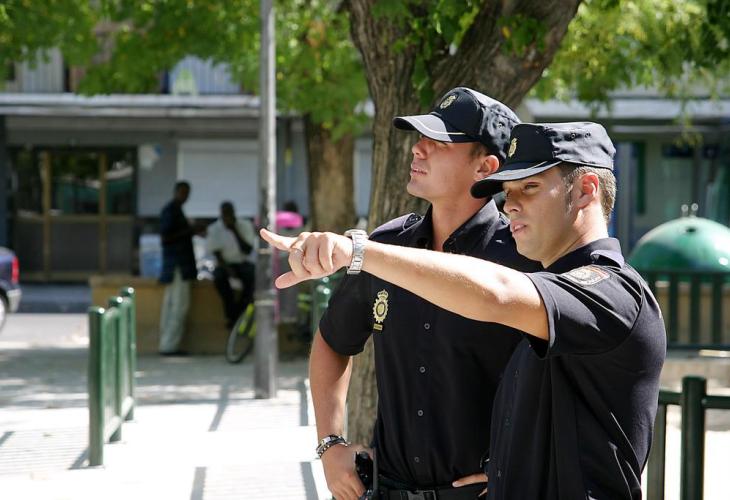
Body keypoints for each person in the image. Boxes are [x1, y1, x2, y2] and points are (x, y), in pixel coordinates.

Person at [262, 121, 667, 499]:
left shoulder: (612, 290)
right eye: (508, 193)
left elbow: (498, 293)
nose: (510, 205)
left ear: (586, 190)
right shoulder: (550, 286)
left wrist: (358, 252)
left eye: (529, 187)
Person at [306, 87, 537, 500]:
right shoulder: (387, 247)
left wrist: (516, 468)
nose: (418, 148)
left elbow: (558, 385)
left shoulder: (522, 258)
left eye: (440, 143)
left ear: (485, 167)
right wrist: (330, 444)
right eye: (422, 137)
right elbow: (332, 340)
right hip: (387, 489)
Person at [158, 181, 202, 356]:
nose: (185, 196)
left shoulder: (175, 210)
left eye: (187, 193)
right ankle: (169, 345)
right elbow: (166, 237)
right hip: (177, 265)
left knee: (172, 305)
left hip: (177, 265)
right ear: (176, 192)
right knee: (178, 306)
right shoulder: (171, 211)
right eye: (183, 192)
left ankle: (167, 344)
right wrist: (190, 231)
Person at [207, 201, 256, 328]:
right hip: (224, 264)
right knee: (219, 279)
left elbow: (247, 250)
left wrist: (234, 230)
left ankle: (239, 313)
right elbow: (217, 254)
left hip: (242, 263)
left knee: (252, 278)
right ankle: (232, 314)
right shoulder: (214, 229)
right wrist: (228, 269)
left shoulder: (245, 225)